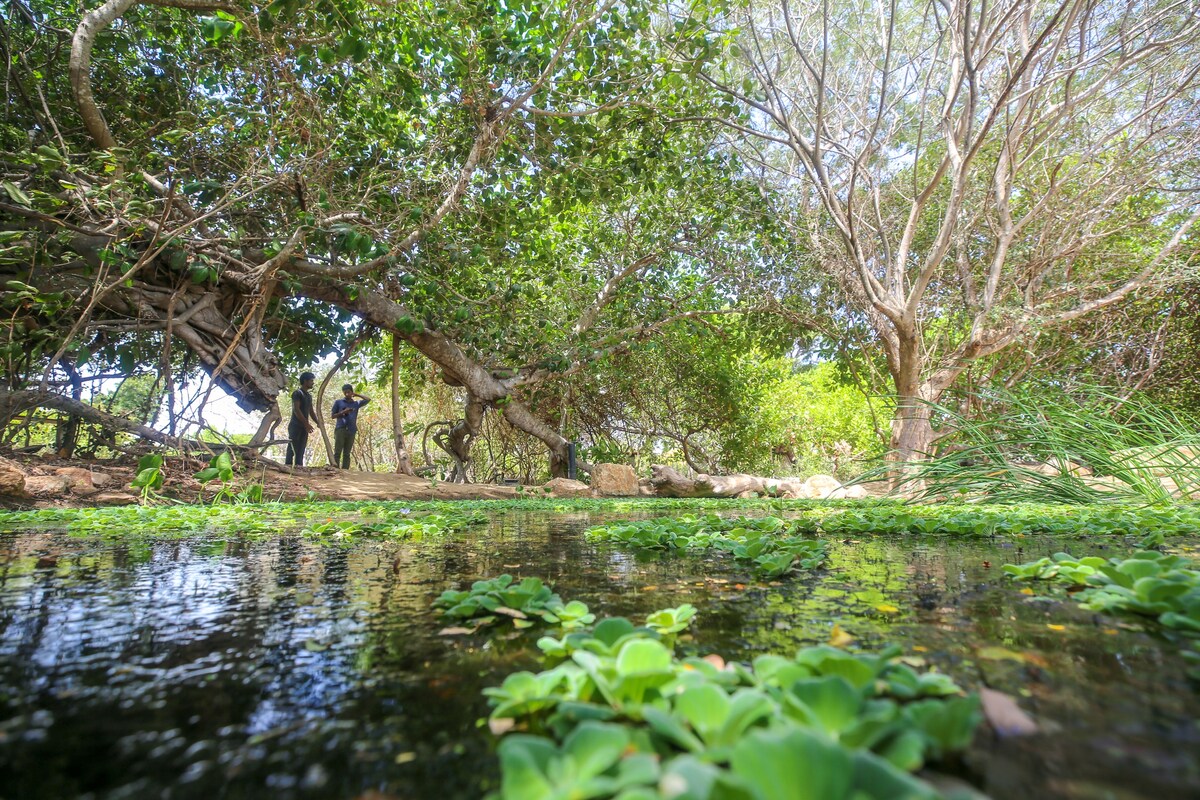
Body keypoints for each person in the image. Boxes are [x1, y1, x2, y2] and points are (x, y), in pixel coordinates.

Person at [330, 384, 371, 470]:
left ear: (351, 392)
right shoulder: (338, 402)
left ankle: (345, 471)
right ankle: (335, 469)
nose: (347, 394)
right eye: (345, 392)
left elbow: (368, 399)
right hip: (340, 429)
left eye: (348, 392)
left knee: (347, 453)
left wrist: (357, 395)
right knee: (337, 451)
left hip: (351, 430)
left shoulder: (356, 403)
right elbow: (333, 416)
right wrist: (343, 412)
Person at [285, 372, 318, 468]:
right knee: (292, 448)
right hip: (295, 425)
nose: (313, 383)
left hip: (304, 427)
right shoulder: (297, 393)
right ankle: (287, 467)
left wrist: (317, 422)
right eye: (311, 380)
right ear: (305, 381)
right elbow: (296, 410)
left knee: (301, 448)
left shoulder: (309, 396)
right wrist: (306, 424)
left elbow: (311, 411)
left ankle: (299, 468)